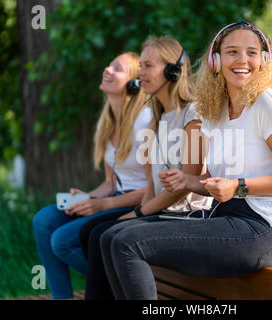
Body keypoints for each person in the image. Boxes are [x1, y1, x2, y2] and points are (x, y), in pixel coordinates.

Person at [99, 21, 272, 300]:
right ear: (215, 60)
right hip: (223, 219)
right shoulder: (217, 111)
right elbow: (213, 182)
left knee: (128, 243)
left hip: (262, 230)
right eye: (232, 51)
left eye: (251, 52)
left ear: (264, 59)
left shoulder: (269, 104)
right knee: (110, 237)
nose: (242, 60)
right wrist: (187, 180)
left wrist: (238, 187)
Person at [79, 36, 209, 300]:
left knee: (104, 235)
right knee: (94, 233)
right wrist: (137, 214)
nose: (141, 73)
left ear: (173, 70)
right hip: (162, 210)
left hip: (187, 216)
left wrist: (138, 212)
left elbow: (185, 185)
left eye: (148, 65)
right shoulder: (160, 117)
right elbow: (153, 184)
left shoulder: (192, 116)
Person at [32, 52, 152, 299]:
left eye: (117, 68)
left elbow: (154, 188)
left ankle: (123, 285)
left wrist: (103, 204)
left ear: (134, 83)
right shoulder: (107, 122)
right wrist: (87, 197)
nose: (107, 69)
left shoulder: (145, 121)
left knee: (62, 241)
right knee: (43, 220)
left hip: (139, 204)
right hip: (114, 197)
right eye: (109, 65)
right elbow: (111, 182)